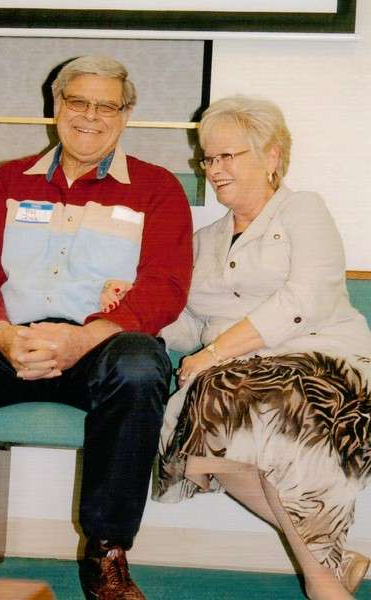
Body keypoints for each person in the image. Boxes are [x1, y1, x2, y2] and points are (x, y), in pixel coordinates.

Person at [0, 55, 193, 599]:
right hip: (10, 346)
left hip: (97, 351)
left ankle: (107, 553)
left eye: (107, 106)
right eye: (79, 101)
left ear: (125, 115)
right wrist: (3, 333)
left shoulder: (158, 189)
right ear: (57, 106)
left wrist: (84, 338)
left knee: (140, 362)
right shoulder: (8, 180)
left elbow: (166, 286)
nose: (90, 116)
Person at [153, 95, 371, 600]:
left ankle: (322, 583)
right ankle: (331, 564)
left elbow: (308, 298)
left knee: (257, 405)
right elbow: (189, 323)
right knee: (215, 415)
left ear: (271, 155)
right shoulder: (202, 240)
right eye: (208, 158)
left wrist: (213, 354)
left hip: (323, 359)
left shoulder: (303, 210)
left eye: (228, 156)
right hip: (237, 375)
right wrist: (137, 312)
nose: (214, 169)